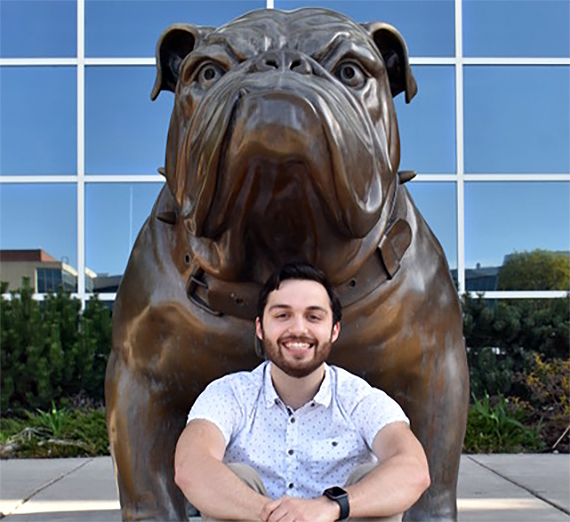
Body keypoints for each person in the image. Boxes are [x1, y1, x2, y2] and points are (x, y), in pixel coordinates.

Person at [174, 262, 430, 522]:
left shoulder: (360, 399)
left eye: (314, 316)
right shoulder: (229, 395)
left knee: (370, 479)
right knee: (237, 477)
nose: (298, 329)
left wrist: (331, 506)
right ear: (260, 328)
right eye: (282, 315)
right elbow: (190, 467)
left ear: (334, 331)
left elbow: (413, 469)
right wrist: (274, 514)